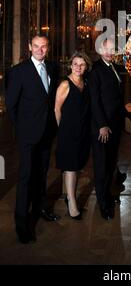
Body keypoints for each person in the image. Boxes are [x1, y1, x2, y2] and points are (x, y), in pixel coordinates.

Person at [5, 34, 60, 244]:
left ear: (48, 47)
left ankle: (40, 209)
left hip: (46, 133)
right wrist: (22, 131)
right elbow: (11, 105)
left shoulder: (53, 68)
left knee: (42, 173)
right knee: (26, 177)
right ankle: (22, 225)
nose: (40, 50)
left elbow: (51, 98)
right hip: (27, 135)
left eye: (44, 46)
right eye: (36, 46)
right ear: (29, 47)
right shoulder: (18, 72)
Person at [88, 39, 131, 220]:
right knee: (101, 166)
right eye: (106, 49)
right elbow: (95, 100)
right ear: (99, 50)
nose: (109, 52)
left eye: (112, 49)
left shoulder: (113, 67)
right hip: (102, 127)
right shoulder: (95, 70)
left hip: (114, 124)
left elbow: (116, 97)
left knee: (111, 162)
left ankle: (107, 193)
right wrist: (102, 125)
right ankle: (103, 204)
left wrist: (126, 113)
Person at [55, 52, 91, 220]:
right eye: (75, 64)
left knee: (77, 166)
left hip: (83, 131)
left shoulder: (85, 82)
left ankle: (70, 197)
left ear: (86, 67)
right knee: (70, 167)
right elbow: (57, 109)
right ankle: (72, 202)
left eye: (82, 64)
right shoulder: (65, 84)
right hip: (68, 131)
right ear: (70, 65)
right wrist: (62, 130)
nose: (78, 67)